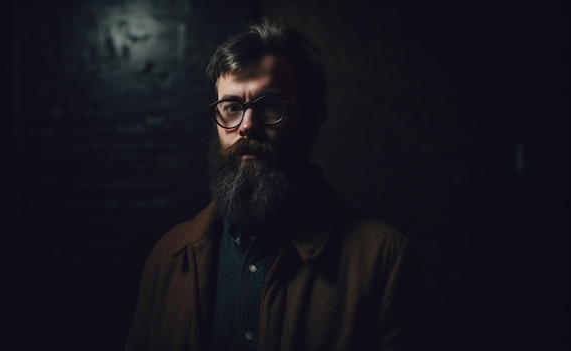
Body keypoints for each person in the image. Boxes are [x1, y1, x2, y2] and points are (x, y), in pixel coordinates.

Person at [125, 18, 427, 351]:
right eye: (231, 107)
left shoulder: (382, 261)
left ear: (313, 121)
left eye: (270, 106)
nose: (246, 126)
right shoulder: (168, 257)